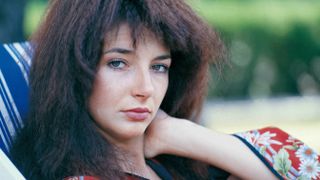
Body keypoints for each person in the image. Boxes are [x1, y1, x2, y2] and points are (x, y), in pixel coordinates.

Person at [10, 0, 319, 180]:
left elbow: (306, 171)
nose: (145, 89)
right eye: (118, 63)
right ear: (75, 72)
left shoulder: (178, 158)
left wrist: (178, 134)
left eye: (159, 67)